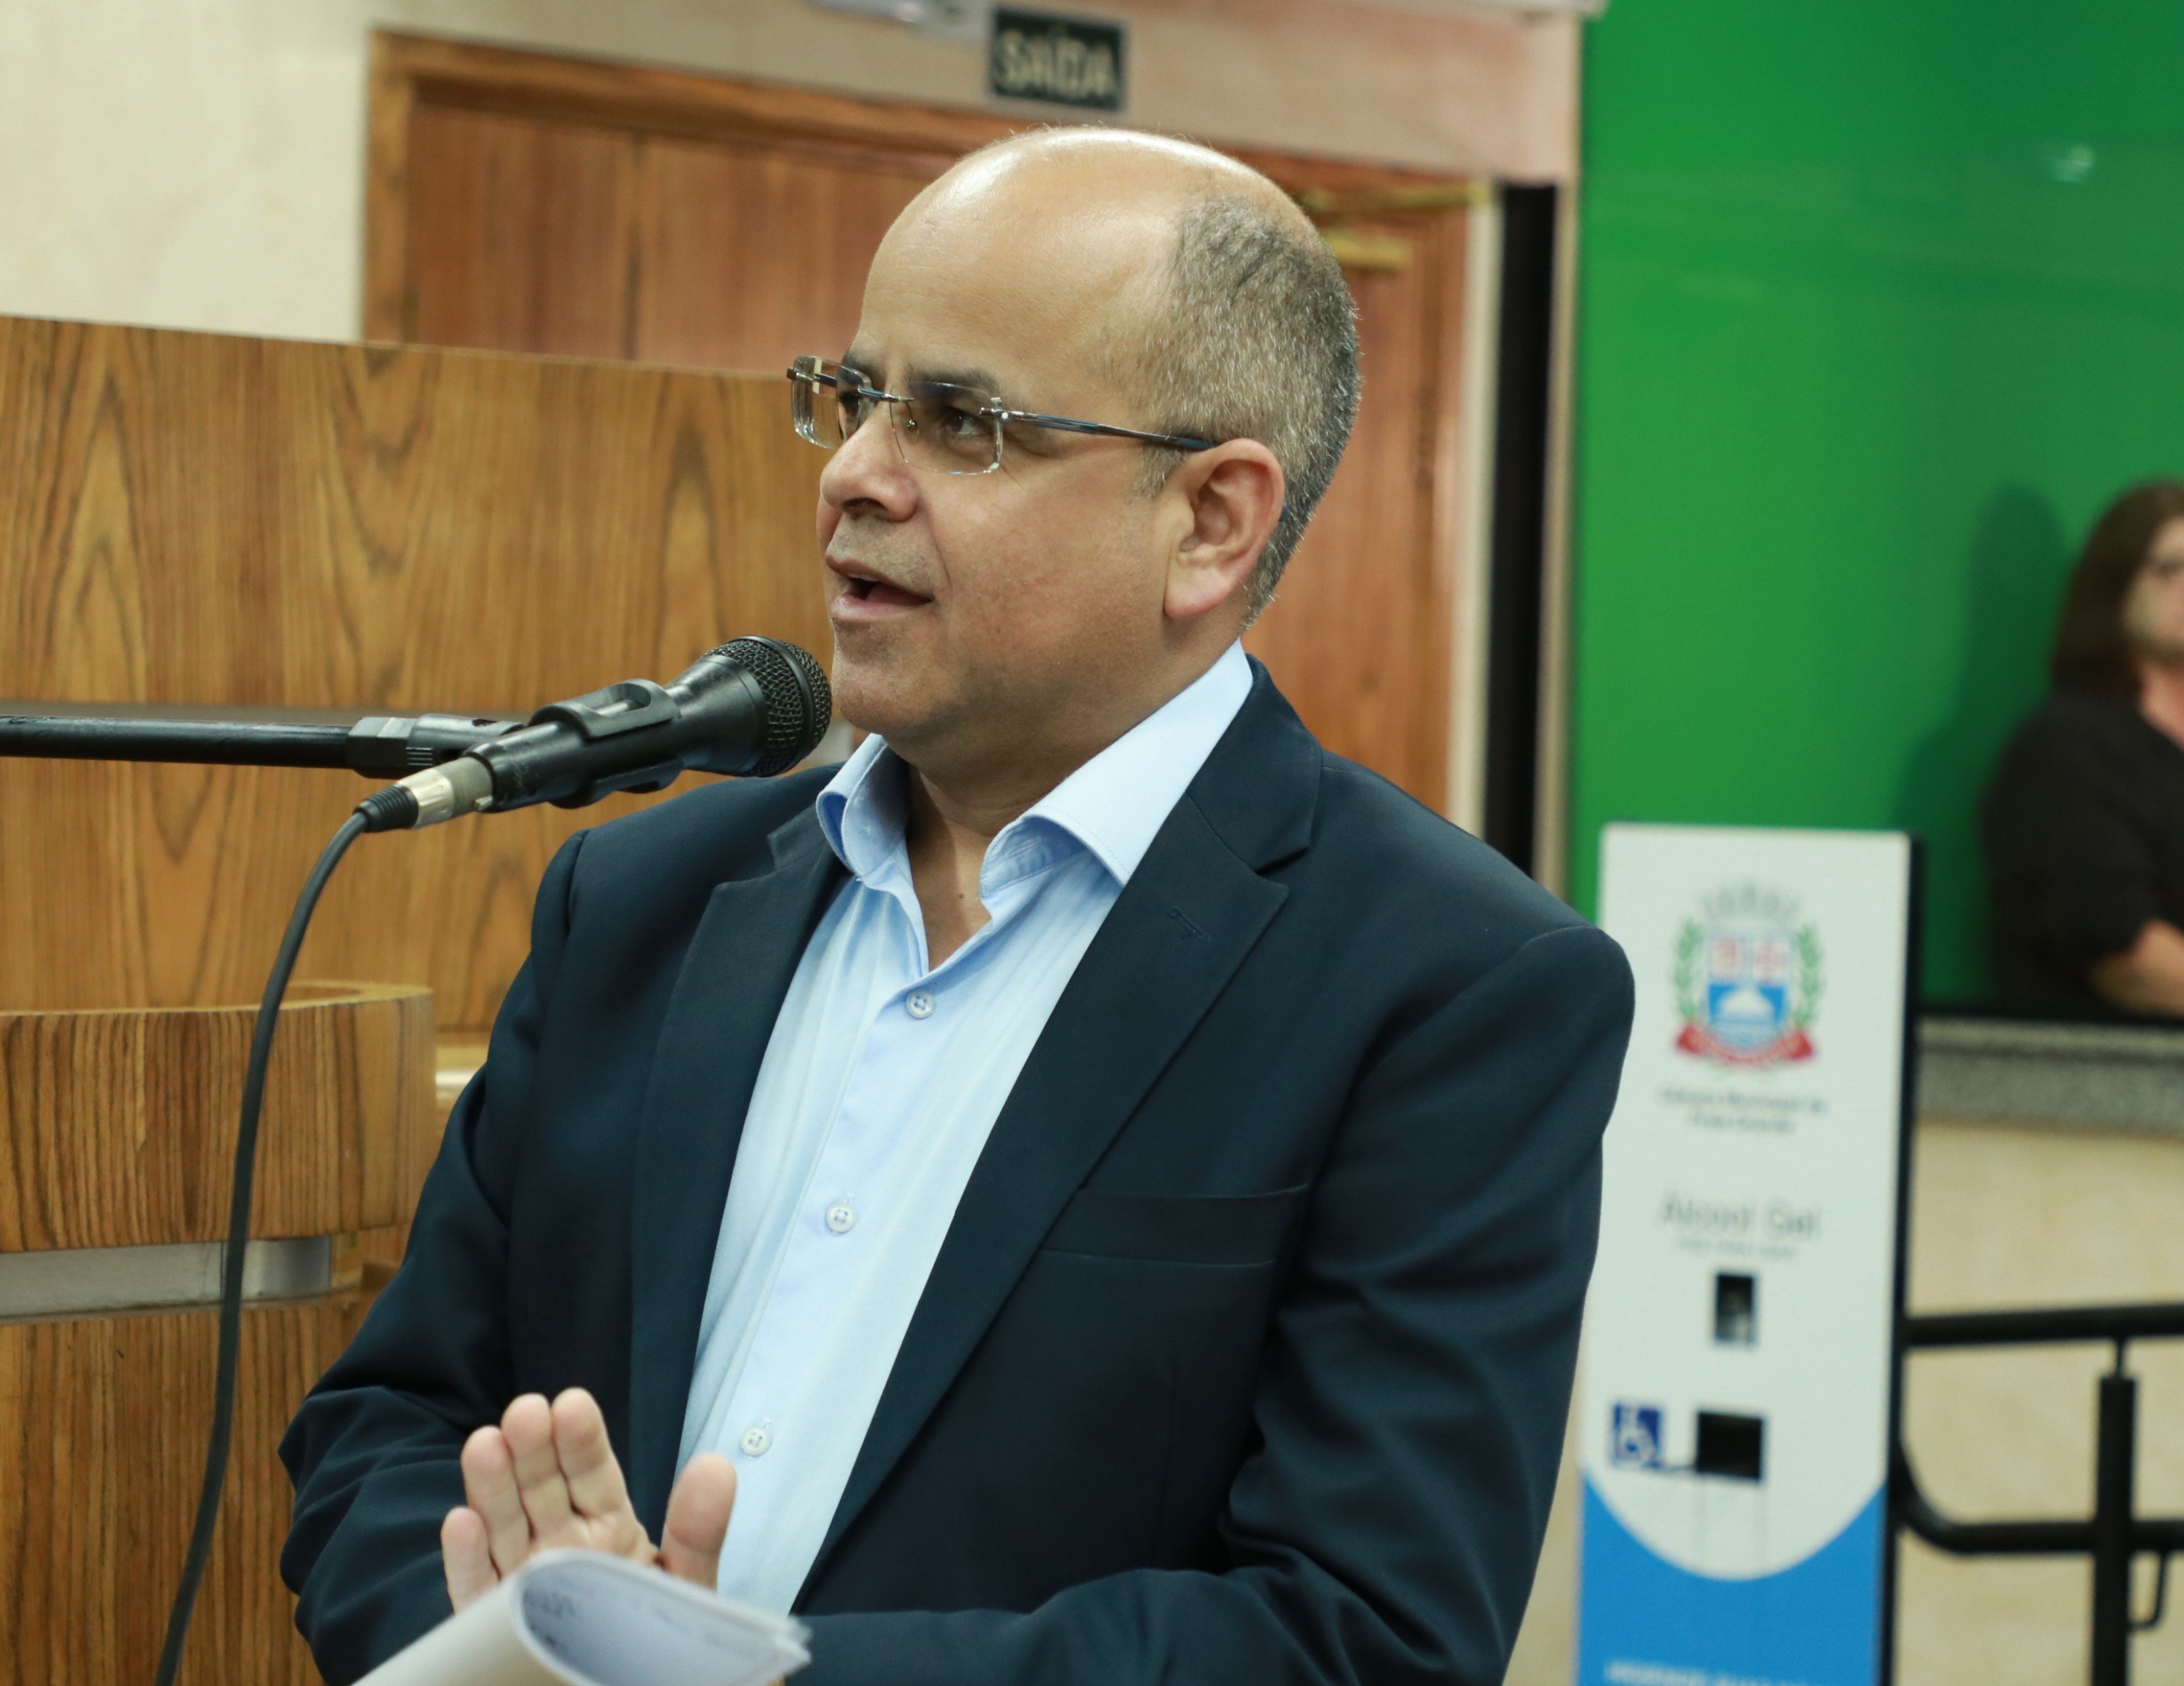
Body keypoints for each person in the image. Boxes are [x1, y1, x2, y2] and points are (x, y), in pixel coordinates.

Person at [279, 127, 1633, 1685]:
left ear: (1211, 520)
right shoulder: (641, 897)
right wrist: (507, 1645)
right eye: (853, 394)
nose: (852, 473)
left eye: (959, 421)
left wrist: (728, 1673)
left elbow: (1358, 1636)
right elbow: (386, 1427)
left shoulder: (1451, 987)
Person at [1985, 480, 2184, 1016]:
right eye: (2172, 568)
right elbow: (2128, 956)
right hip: (2108, 1061)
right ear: (2115, 585)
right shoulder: (2065, 747)